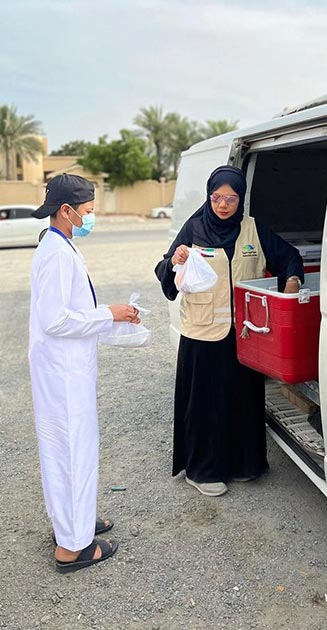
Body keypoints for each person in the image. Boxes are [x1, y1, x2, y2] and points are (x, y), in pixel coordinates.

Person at [155, 165, 304, 497]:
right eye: (217, 197)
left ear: (241, 199)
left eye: (231, 198)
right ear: (210, 197)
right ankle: (202, 470)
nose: (223, 205)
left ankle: (242, 463)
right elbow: (165, 272)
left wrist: (292, 281)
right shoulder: (193, 229)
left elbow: (289, 257)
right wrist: (175, 261)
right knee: (205, 404)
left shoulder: (253, 230)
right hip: (202, 337)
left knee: (242, 401)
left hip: (245, 336)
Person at [29, 173, 140, 572]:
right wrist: (108, 313)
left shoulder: (59, 244)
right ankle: (73, 548)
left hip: (63, 369)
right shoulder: (56, 253)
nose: (91, 218)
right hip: (62, 374)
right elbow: (55, 320)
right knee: (72, 451)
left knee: (67, 451)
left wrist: (112, 319)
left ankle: (72, 524)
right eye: (88, 211)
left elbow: (70, 310)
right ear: (66, 210)